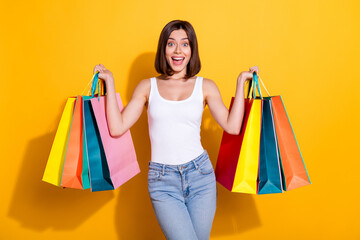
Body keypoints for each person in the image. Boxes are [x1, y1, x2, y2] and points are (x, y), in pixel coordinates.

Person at [93, 20, 259, 240]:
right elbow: (117, 127)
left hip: (201, 175)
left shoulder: (206, 86)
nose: (178, 50)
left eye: (185, 44)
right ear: (163, 49)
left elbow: (232, 125)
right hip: (162, 181)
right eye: (171, 44)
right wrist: (110, 83)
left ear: (192, 50)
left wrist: (240, 83)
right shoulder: (147, 86)